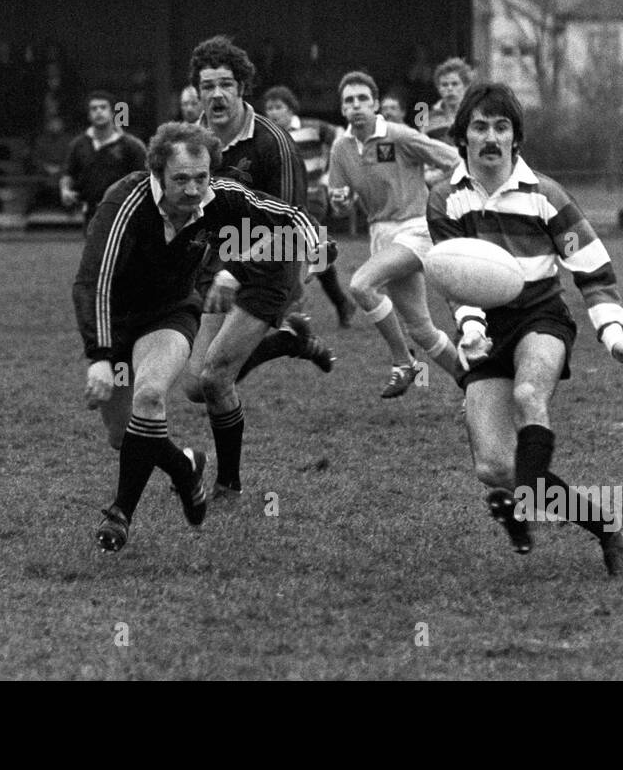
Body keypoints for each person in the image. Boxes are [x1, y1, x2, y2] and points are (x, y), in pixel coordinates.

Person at [427, 81, 623, 575]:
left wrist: (613, 334)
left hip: (540, 316)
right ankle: (609, 527)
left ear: (516, 138)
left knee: (529, 395)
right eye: (480, 126)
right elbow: (456, 280)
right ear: (462, 136)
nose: (491, 137)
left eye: (502, 127)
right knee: (493, 467)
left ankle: (523, 508)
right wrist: (469, 328)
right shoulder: (445, 199)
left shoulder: (546, 195)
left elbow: (593, 268)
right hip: (485, 327)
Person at [73, 122, 323, 553]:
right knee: (123, 435)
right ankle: (185, 466)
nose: (193, 190)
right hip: (115, 323)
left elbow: (293, 218)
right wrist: (99, 355)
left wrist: (300, 246)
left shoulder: (220, 198)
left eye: (201, 177)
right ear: (157, 174)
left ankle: (119, 516)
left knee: (150, 396)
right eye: (180, 179)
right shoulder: (124, 203)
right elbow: (92, 281)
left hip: (169, 314)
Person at [179, 36, 334, 502]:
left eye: (227, 84)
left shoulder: (273, 144)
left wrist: (237, 267)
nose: (217, 95)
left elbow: (293, 225)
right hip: (217, 270)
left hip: (270, 268)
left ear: (242, 87)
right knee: (192, 386)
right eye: (208, 86)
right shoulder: (190, 142)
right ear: (197, 92)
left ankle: (228, 483)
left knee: (215, 377)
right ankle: (288, 341)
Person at [328, 70, 462, 397]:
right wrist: (341, 202)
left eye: (363, 99)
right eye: (349, 100)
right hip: (381, 236)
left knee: (361, 285)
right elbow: (340, 205)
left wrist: (445, 197)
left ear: (375, 104)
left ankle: (403, 363)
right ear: (342, 109)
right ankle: (475, 385)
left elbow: (454, 160)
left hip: (416, 229)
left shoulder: (398, 135)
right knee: (422, 330)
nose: (356, 105)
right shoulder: (341, 149)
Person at [261, 85, 355, 327]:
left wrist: (330, 174)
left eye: (278, 107)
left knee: (294, 248)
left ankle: (291, 312)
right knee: (315, 251)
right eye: (269, 108)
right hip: (285, 201)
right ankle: (342, 303)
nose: (273, 113)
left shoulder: (312, 127)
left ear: (291, 108)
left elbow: (343, 136)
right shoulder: (268, 135)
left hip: (313, 197)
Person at [60, 91, 147, 227]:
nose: (99, 112)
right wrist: (65, 190)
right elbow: (68, 174)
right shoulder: (78, 145)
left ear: (113, 112)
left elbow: (145, 178)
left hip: (123, 213)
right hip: (91, 213)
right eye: (94, 109)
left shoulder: (131, 145)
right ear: (89, 115)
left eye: (103, 107)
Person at [425, 57, 473, 143]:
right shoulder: (429, 118)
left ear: (465, 86)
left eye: (455, 84)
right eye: (444, 85)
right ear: (438, 88)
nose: (450, 88)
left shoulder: (475, 115)